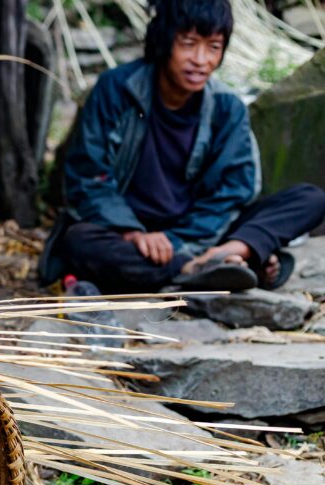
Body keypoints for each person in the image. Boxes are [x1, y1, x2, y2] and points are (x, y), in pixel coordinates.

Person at [40, 0, 325, 294]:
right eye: (189, 44)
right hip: (129, 235)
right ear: (165, 40)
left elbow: (234, 191)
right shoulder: (117, 89)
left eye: (213, 47)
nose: (201, 60)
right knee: (78, 241)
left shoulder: (227, 108)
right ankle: (207, 266)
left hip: (203, 231)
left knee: (310, 198)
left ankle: (228, 252)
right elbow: (88, 177)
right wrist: (133, 232)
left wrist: (180, 241)